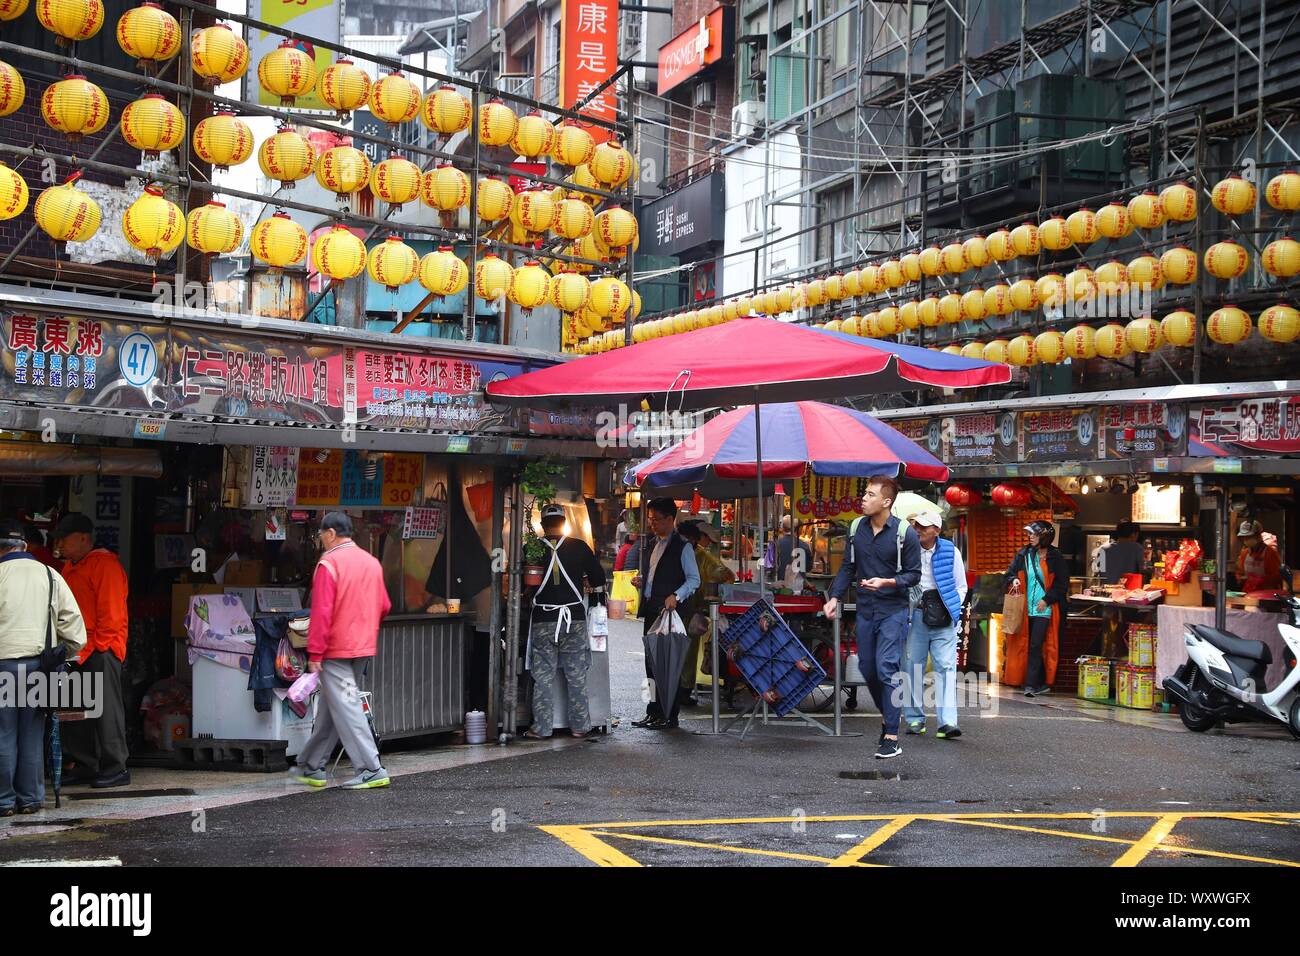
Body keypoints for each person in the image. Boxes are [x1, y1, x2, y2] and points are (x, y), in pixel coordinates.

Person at [823, 475, 921, 760]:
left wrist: (886, 582)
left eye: (869, 494)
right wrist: (834, 597)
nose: (863, 499)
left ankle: (891, 733)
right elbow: (847, 567)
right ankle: (889, 713)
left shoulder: (905, 533)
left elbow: (913, 575)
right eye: (864, 494)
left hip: (894, 610)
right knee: (867, 668)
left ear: (886, 501)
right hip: (865, 610)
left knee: (886, 666)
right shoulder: (856, 528)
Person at [292, 512, 393, 790]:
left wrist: (315, 653)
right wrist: (365, 629)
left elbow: (322, 612)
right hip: (362, 646)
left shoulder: (329, 563)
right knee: (333, 705)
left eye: (321, 534)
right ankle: (311, 766)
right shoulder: (371, 563)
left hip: (335, 649)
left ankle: (372, 768)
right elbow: (384, 605)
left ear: (331, 534)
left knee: (346, 705)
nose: (321, 540)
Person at [0, 524, 85, 816]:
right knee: (33, 733)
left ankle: (3, 801)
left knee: (3, 733)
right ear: (24, 546)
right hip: (39, 667)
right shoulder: (51, 575)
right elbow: (76, 635)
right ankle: (31, 799)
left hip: (3, 666)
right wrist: (61, 656)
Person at [53, 513, 131, 789]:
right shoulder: (71, 567)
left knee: (106, 711)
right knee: (75, 712)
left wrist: (99, 650)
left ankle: (116, 766)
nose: (60, 543)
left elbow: (111, 617)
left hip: (101, 649)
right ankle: (85, 763)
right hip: (76, 649)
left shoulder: (104, 565)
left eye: (66, 537)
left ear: (84, 538)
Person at [523, 503, 606, 740]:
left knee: (543, 677)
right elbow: (599, 577)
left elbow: (524, 584)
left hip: (543, 619)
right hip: (574, 619)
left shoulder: (532, 548)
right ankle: (580, 726)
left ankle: (541, 728)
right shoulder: (579, 547)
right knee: (576, 675)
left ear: (542, 525)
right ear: (564, 522)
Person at [631, 498, 700, 730]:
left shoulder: (683, 546)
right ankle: (652, 711)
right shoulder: (651, 543)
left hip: (670, 613)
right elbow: (653, 574)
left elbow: (694, 580)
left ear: (671, 519)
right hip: (652, 608)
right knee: (650, 664)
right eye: (650, 519)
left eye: (657, 520)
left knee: (667, 665)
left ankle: (669, 715)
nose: (652, 524)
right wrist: (642, 582)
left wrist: (676, 595)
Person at [901, 512, 968, 739]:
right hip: (916, 615)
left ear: (937, 530)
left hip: (944, 618)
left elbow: (961, 586)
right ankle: (914, 720)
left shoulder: (951, 551)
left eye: (924, 526)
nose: (918, 529)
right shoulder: (908, 550)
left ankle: (947, 722)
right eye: (917, 525)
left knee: (946, 668)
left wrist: (952, 609)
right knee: (911, 668)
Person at [1002, 520, 1069, 697]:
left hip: (1044, 609)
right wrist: (1013, 579)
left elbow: (1062, 584)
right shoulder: (1023, 554)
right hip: (1024, 608)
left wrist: (1047, 600)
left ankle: (1031, 684)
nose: (1030, 537)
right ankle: (1030, 680)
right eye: (1030, 534)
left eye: (1034, 534)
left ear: (1045, 537)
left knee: (1035, 644)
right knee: (1022, 643)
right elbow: (1009, 573)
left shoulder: (1056, 557)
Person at [676, 520, 735, 707]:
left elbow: (723, 572)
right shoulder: (669, 550)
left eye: (693, 541)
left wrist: (721, 576)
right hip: (671, 607)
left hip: (690, 609)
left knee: (688, 650)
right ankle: (668, 689)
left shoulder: (702, 555)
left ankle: (684, 690)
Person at [1236, 520, 1283, 592]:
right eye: (1244, 537)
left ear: (1258, 535)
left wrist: (1258, 580)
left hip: (1267, 594)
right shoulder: (1244, 553)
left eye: (1249, 536)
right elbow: (1239, 572)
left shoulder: (1270, 553)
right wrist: (1240, 578)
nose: (1246, 539)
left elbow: (1277, 577)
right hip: (1249, 594)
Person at [776, 515, 813, 588]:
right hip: (799, 585)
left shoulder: (776, 544)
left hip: (780, 585)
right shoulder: (804, 545)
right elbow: (808, 567)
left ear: (782, 528)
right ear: (797, 529)